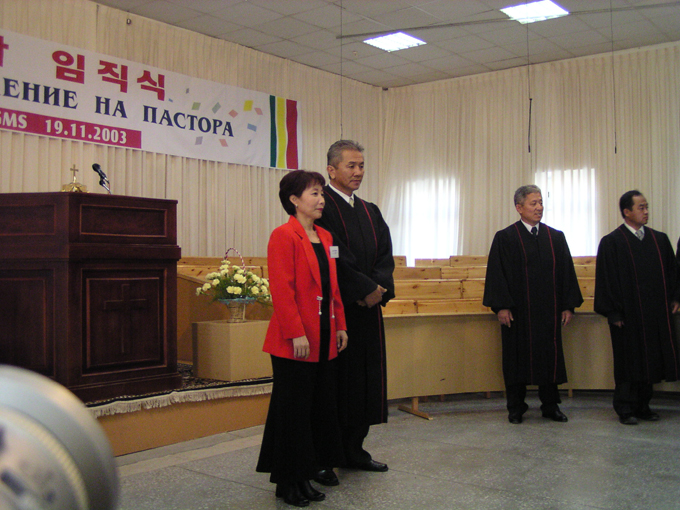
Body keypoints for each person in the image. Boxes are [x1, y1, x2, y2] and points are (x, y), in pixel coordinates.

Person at [256, 170, 349, 507]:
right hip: (294, 338)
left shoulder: (325, 236)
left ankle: (306, 474)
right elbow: (282, 290)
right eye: (314, 193)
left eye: (321, 193)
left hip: (324, 334)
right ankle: (288, 481)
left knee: (316, 408)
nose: (321, 199)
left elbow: (332, 286)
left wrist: (341, 325)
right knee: (292, 412)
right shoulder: (283, 235)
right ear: (294, 200)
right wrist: (296, 332)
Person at [314, 140, 395, 482]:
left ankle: (354, 450)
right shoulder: (322, 207)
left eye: (361, 165)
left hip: (369, 312)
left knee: (365, 382)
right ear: (331, 170)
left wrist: (379, 289)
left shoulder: (370, 210)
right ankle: (325, 456)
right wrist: (364, 290)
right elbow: (334, 255)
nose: (358, 172)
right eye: (351, 165)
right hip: (339, 311)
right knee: (337, 384)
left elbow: (385, 256)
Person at [483, 185, 583, 424]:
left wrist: (567, 305)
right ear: (519, 207)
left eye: (540, 203)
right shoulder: (506, 238)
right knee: (516, 360)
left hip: (549, 313)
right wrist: (502, 306)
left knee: (550, 359)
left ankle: (550, 405)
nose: (539, 207)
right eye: (533, 203)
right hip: (518, 314)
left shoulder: (555, 237)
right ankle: (516, 407)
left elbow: (566, 273)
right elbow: (497, 274)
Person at [594, 190, 680, 425]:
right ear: (627, 212)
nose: (646, 211)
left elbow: (673, 273)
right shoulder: (612, 242)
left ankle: (644, 406)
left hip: (655, 315)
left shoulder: (659, 240)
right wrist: (613, 313)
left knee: (651, 360)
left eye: (646, 207)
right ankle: (625, 408)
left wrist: (675, 297)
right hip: (627, 317)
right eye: (641, 207)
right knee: (628, 362)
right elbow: (606, 280)